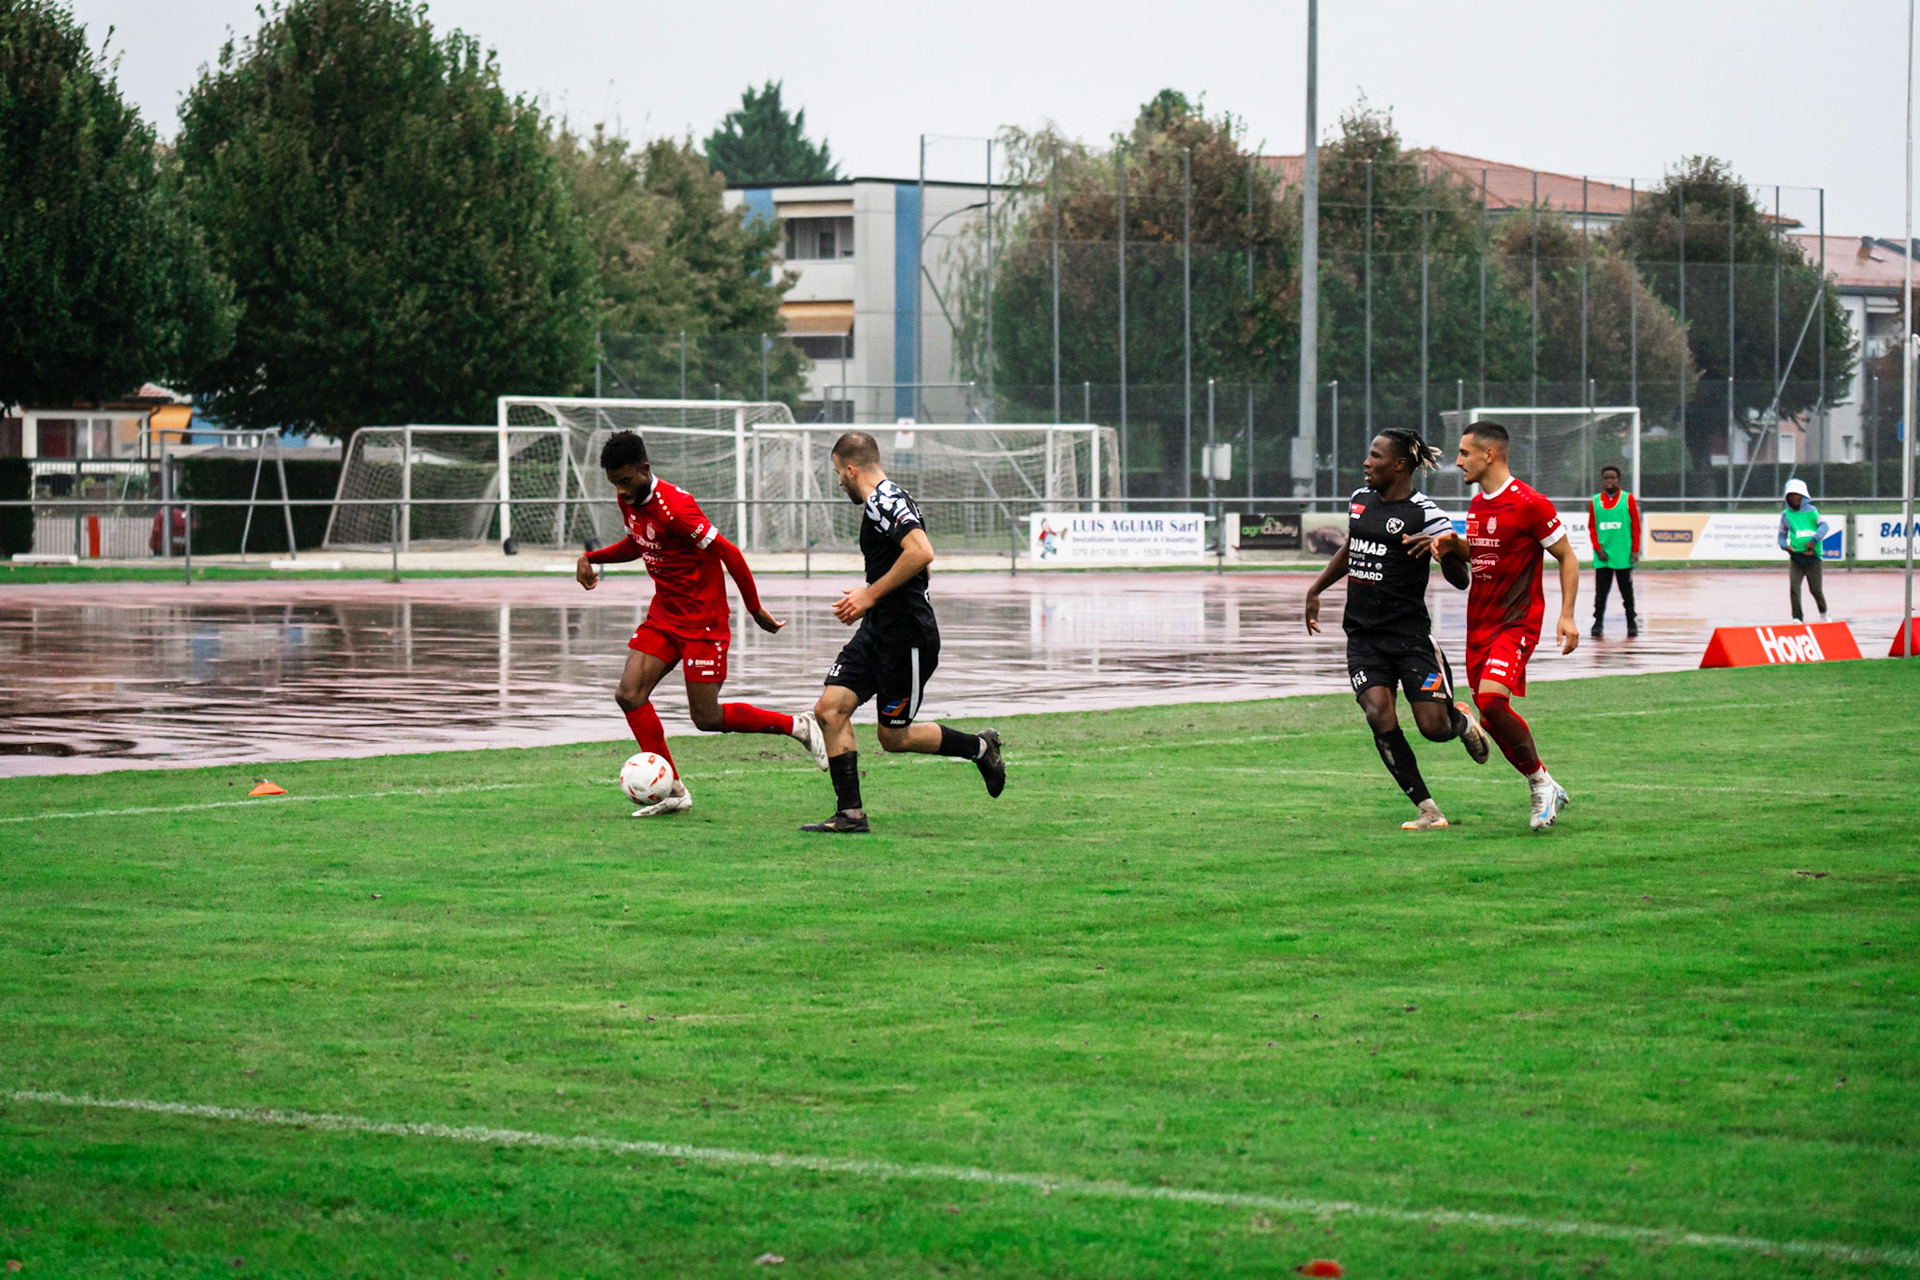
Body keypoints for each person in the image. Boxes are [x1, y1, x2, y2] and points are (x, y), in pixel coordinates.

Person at [576, 430, 828, 817]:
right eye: (615, 484)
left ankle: (798, 726)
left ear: (644, 468)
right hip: (664, 614)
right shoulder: (628, 499)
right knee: (629, 694)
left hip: (703, 621)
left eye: (625, 481)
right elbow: (638, 544)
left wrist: (754, 608)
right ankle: (672, 790)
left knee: (706, 718)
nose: (621, 492)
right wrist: (592, 557)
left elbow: (730, 552)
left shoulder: (676, 508)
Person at [802, 430, 1005, 834]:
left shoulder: (885, 499)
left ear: (851, 468)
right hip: (877, 630)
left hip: (906, 639)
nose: (838, 481)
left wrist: (869, 595)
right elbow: (920, 565)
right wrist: (878, 598)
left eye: (838, 472)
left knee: (893, 739)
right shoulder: (888, 499)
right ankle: (850, 815)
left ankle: (981, 748)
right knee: (829, 710)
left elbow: (923, 552)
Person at [1305, 429, 1491, 831]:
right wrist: (1316, 588)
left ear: (1400, 465)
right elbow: (1353, 548)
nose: (1367, 463)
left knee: (1433, 728)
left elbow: (1462, 578)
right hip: (1363, 636)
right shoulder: (1360, 500)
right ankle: (1428, 809)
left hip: (1410, 639)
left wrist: (1443, 548)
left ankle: (1460, 721)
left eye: (1375, 456)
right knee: (1379, 714)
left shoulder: (1426, 513)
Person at [1417, 421, 1581, 831]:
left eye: (1464, 453)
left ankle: (1540, 784)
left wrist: (1567, 615)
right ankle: (1544, 781)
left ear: (1489, 454)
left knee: (1491, 702)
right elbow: (1483, 555)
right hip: (1479, 625)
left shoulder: (1530, 503)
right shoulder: (1478, 505)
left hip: (1517, 622)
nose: (1458, 461)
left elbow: (1567, 557)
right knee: (1491, 717)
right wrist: (1454, 545)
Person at [1588, 464, 1642, 638]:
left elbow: (1635, 526)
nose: (1609, 481)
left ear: (1619, 480)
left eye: (1612, 478)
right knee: (1601, 593)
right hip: (1603, 556)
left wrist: (1635, 550)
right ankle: (1598, 622)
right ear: (1602, 480)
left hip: (1623, 555)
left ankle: (1631, 622)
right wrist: (1597, 548)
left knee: (1627, 592)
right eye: (1606, 478)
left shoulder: (1628, 499)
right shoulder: (1595, 501)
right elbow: (1592, 527)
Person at [1777, 478, 1831, 623]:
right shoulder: (1786, 515)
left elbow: (1824, 526)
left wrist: (1813, 540)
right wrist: (1784, 546)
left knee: (1815, 590)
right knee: (1794, 588)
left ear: (1803, 496)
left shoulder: (1812, 512)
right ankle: (1797, 617)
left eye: (1797, 494)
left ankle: (1824, 612)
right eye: (1790, 495)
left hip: (1813, 558)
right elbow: (1781, 534)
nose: (1793, 498)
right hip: (1796, 558)